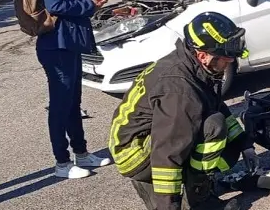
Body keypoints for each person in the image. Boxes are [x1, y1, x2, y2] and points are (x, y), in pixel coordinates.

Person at [109, 11, 257, 210]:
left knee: (217, 123)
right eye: (225, 59)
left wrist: (245, 145)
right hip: (137, 154)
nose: (229, 63)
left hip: (146, 139)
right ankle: (198, 199)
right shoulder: (180, 90)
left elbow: (215, 105)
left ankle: (195, 184)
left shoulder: (191, 65)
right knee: (213, 126)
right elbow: (167, 151)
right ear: (204, 55)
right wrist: (169, 205)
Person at [30, 0, 111, 178]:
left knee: (73, 101)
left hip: (66, 40)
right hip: (59, 42)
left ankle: (81, 153)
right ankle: (62, 163)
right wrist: (90, 6)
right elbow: (56, 4)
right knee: (61, 104)